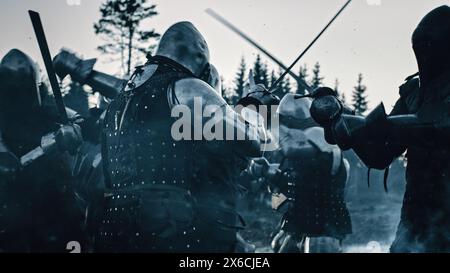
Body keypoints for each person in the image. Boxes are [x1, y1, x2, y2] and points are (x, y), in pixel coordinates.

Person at [95, 21, 261, 252]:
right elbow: (254, 143)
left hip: (112, 220)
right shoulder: (187, 87)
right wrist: (255, 104)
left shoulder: (122, 97)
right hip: (167, 222)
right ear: (199, 54)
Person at [309, 6, 450, 252]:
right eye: (421, 44)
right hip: (416, 218)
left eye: (432, 44)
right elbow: (380, 154)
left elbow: (437, 127)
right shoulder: (415, 91)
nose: (425, 52)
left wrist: (370, 125)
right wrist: (343, 125)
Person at [0, 49, 86, 252]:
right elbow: (8, 166)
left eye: (22, 88)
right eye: (11, 89)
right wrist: (44, 147)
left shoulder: (50, 112)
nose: (17, 96)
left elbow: (85, 123)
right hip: (10, 218)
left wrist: (74, 129)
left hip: (56, 213)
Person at [260, 94, 352, 253]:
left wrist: (270, 124)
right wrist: (271, 176)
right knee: (279, 245)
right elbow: (285, 196)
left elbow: (295, 154)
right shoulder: (293, 157)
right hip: (300, 222)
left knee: (319, 247)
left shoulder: (323, 142)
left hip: (323, 224)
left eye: (286, 121)